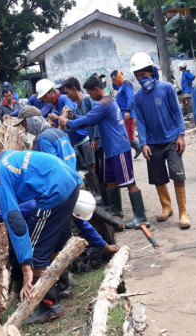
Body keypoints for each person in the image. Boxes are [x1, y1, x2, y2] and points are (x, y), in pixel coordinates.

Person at [0, 149, 81, 321]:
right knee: (54, 243)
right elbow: (20, 205)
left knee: (36, 254)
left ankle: (49, 307)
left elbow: (15, 220)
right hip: (68, 182)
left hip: (53, 194)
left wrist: (26, 264)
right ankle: (62, 287)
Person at [12, 105, 119, 254]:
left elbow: (52, 168)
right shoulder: (57, 132)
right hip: (73, 180)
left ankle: (65, 259)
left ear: (32, 121)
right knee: (79, 217)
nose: (25, 129)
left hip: (60, 187)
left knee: (68, 224)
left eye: (24, 124)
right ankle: (106, 241)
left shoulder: (43, 139)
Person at [58, 75, 148, 229]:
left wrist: (68, 122)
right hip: (111, 149)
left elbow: (88, 121)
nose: (90, 96)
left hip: (119, 148)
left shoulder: (103, 103)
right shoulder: (106, 102)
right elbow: (90, 118)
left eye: (90, 93)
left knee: (129, 182)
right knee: (111, 182)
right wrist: (75, 117)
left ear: (97, 89)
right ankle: (116, 211)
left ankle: (141, 217)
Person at [131, 52, 191, 230]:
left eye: (144, 75)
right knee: (158, 178)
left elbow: (177, 112)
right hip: (152, 142)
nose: (141, 79)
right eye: (138, 76)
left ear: (152, 71)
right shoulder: (138, 97)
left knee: (177, 175)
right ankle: (167, 207)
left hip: (172, 139)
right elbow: (139, 122)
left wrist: (181, 135)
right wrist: (143, 143)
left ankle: (183, 212)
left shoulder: (166, 88)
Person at [36, 78, 92, 174]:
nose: (45, 100)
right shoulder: (54, 107)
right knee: (85, 167)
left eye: (45, 97)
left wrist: (61, 119)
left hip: (83, 138)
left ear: (51, 92)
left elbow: (71, 119)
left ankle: (96, 188)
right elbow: (59, 125)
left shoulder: (64, 99)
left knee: (91, 166)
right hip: (75, 141)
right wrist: (55, 119)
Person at [62, 77, 101, 202]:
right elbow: (81, 123)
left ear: (74, 89)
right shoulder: (78, 107)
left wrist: (95, 138)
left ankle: (99, 196)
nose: (67, 96)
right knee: (91, 168)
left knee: (95, 167)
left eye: (68, 92)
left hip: (93, 140)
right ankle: (97, 195)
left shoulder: (87, 99)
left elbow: (96, 119)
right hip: (89, 140)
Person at [110, 70, 142, 159]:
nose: (114, 81)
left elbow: (130, 98)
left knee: (126, 136)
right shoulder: (121, 86)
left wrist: (128, 111)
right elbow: (114, 86)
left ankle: (133, 151)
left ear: (119, 77)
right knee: (128, 135)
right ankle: (138, 148)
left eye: (115, 79)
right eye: (113, 80)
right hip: (123, 114)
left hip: (127, 114)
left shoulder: (127, 84)